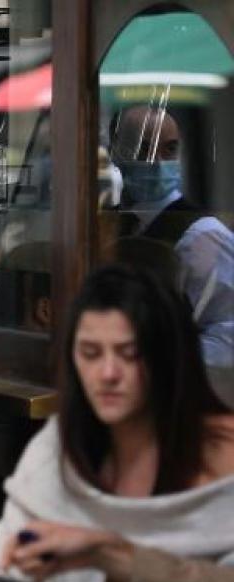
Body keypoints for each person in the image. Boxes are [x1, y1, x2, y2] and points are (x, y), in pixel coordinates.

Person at [0, 264, 234, 582]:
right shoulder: (59, 446)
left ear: (169, 360)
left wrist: (115, 556)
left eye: (129, 354)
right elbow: (4, 568)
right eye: (91, 354)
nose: (107, 374)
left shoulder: (223, 456)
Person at [109, 105, 234, 380]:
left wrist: (162, 360)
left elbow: (228, 334)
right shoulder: (111, 223)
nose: (157, 161)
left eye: (170, 149)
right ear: (115, 154)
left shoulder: (202, 235)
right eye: (143, 150)